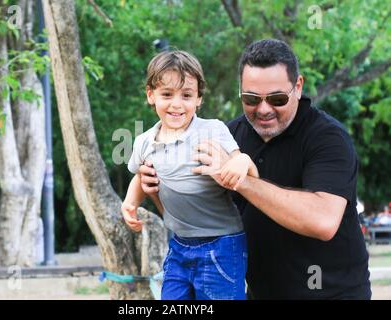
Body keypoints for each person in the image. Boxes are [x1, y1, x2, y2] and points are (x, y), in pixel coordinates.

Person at [139, 39, 371, 299]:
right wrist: (157, 191)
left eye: (277, 98)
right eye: (251, 98)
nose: (263, 109)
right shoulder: (226, 135)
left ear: (298, 86)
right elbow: (196, 219)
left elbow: (323, 221)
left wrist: (242, 181)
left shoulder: (327, 138)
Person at [121, 50, 258, 300]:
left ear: (198, 99)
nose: (176, 104)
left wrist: (243, 160)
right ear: (151, 95)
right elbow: (141, 175)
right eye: (167, 94)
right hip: (179, 245)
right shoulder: (144, 141)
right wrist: (130, 203)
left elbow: (248, 174)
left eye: (186, 95)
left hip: (222, 245)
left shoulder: (212, 130)